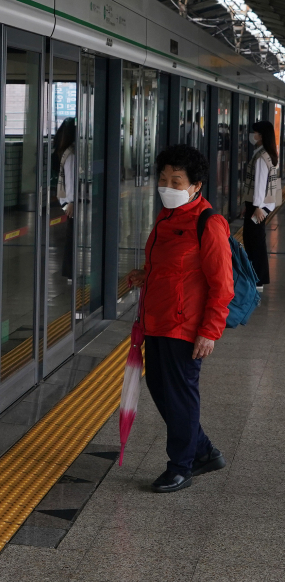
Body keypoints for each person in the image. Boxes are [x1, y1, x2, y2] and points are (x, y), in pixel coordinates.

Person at [129, 144, 234, 493]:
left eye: (176, 181)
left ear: (196, 186)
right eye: (163, 179)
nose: (167, 187)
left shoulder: (209, 224)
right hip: (156, 319)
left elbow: (222, 285)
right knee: (160, 389)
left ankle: (182, 466)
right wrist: (146, 274)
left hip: (184, 326)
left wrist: (210, 331)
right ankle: (202, 450)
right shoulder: (167, 218)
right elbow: (172, 266)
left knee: (179, 396)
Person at [242, 120, 279, 290]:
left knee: (253, 242)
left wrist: (256, 206)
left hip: (258, 205)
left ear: (261, 135)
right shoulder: (269, 153)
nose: (252, 135)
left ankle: (257, 279)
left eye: (255, 132)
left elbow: (259, 184)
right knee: (256, 241)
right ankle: (258, 278)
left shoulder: (260, 158)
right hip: (264, 204)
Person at [56, 117, 75, 279]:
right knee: (71, 237)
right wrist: (71, 202)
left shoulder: (67, 152)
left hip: (67, 201)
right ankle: (69, 271)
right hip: (69, 202)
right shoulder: (71, 154)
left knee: (72, 236)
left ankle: (69, 271)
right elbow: (70, 180)